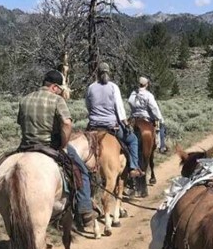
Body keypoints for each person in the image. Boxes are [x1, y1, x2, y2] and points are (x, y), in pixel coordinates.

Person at [17, 69, 96, 226]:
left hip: (26, 145)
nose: (61, 92)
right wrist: (64, 145)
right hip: (49, 145)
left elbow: (20, 122)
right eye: (60, 89)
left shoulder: (25, 99)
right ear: (54, 87)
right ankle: (85, 209)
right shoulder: (57, 100)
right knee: (81, 171)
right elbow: (66, 123)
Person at [85, 62, 143, 175]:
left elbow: (88, 105)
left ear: (97, 73)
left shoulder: (91, 87)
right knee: (133, 140)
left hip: (93, 125)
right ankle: (133, 167)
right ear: (109, 73)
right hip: (110, 126)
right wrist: (125, 123)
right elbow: (119, 107)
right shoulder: (113, 87)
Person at [128, 76, 167, 152]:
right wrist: (160, 118)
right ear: (146, 84)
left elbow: (130, 102)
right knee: (162, 125)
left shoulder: (133, 94)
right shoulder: (148, 95)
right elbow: (154, 108)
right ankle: (162, 146)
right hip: (146, 116)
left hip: (134, 117)